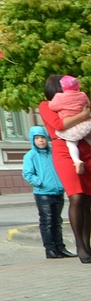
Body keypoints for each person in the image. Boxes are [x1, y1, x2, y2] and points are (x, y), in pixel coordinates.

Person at [39, 74, 91, 262]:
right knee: (76, 196)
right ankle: (80, 245)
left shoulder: (77, 102)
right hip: (63, 150)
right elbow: (59, 125)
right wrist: (83, 115)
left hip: (85, 148)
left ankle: (87, 243)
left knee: (87, 198)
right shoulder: (46, 106)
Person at [23, 125, 73, 258]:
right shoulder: (31, 156)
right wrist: (39, 182)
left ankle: (60, 248)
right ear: (32, 140)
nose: (41, 141)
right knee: (47, 220)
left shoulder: (53, 153)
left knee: (57, 221)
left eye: (43, 137)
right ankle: (50, 249)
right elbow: (27, 173)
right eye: (37, 138)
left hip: (58, 191)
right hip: (43, 193)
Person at [47, 76, 91, 174]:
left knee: (71, 144)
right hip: (85, 123)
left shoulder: (59, 97)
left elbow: (52, 106)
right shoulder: (83, 95)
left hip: (72, 128)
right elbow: (88, 104)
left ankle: (76, 160)